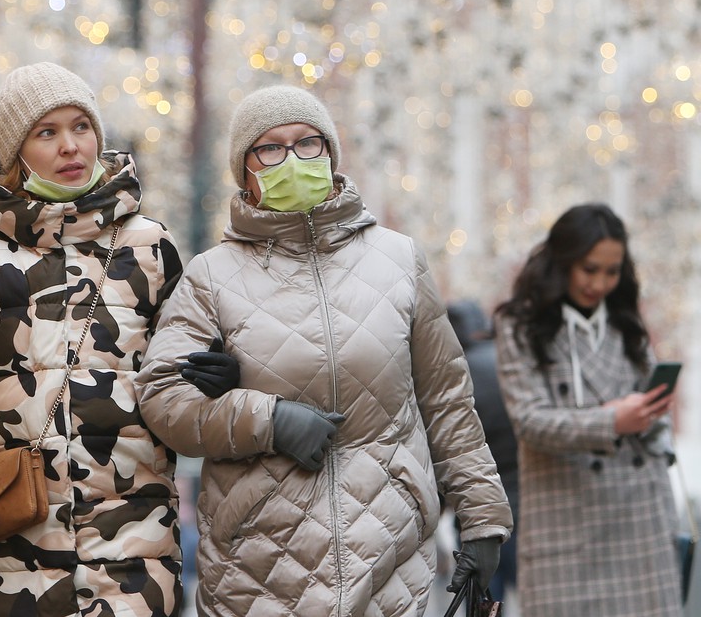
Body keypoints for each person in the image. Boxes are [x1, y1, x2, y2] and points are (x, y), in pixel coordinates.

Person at [135, 84, 513, 617]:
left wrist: (483, 517)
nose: (292, 159)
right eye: (270, 148)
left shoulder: (399, 259)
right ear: (244, 170)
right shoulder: (210, 277)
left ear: (331, 154)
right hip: (258, 567)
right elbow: (162, 399)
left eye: (307, 143)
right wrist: (267, 418)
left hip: (390, 556)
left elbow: (447, 400)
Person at [0, 61, 190, 617]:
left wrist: (212, 373)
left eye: (81, 127)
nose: (71, 147)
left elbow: (185, 375)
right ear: (16, 153)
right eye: (47, 132)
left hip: (133, 543)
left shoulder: (150, 246)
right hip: (14, 544)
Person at [494, 203, 682, 616]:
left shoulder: (625, 321)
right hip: (565, 525)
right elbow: (529, 420)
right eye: (589, 268)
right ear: (562, 261)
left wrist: (650, 412)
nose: (600, 282)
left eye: (611, 271)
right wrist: (612, 420)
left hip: (640, 519)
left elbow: (653, 412)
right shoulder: (521, 326)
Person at [446, 300, 518, 608]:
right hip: (525, 499)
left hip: (477, 507)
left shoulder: (457, 373)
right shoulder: (509, 361)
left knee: (484, 601)